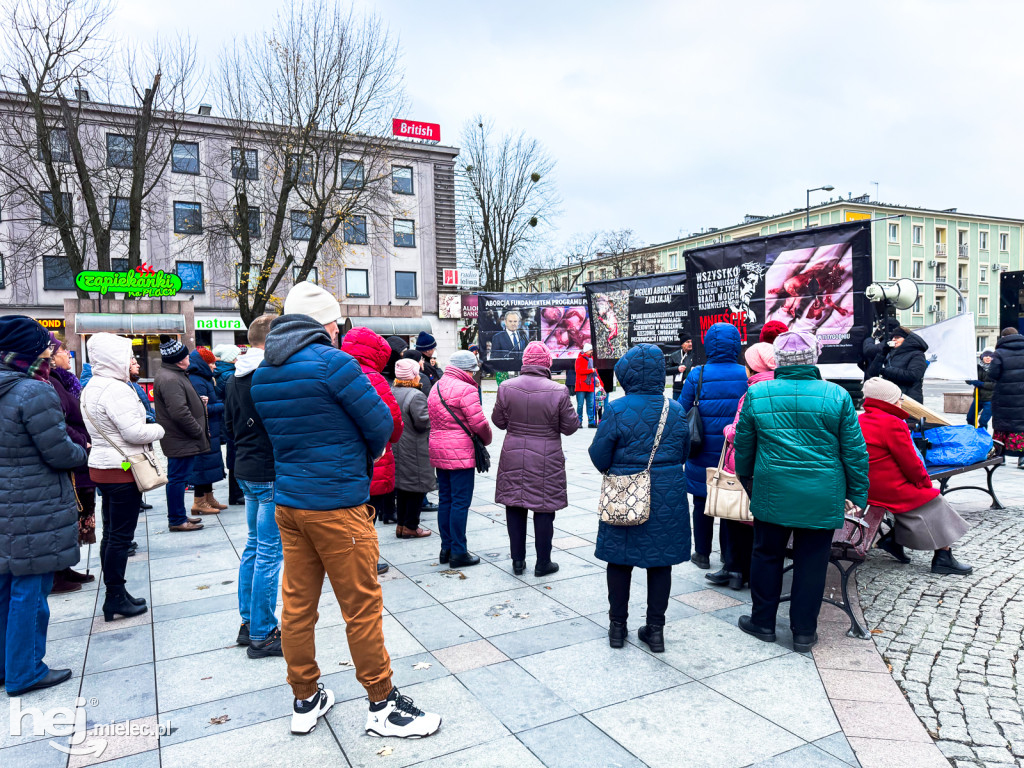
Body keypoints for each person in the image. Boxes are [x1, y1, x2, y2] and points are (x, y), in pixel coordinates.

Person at [250, 281, 441, 738]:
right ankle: (382, 704)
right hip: (337, 503)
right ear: (326, 324)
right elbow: (382, 425)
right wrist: (364, 454)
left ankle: (305, 696)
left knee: (297, 606)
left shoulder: (264, 373)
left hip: (291, 502)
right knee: (361, 606)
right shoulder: (334, 364)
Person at [734, 331, 869, 652]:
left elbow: (744, 447)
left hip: (773, 489)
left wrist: (748, 482)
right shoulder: (836, 396)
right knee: (813, 562)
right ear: (814, 357)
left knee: (766, 555)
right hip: (822, 493)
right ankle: (804, 631)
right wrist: (858, 495)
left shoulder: (759, 394)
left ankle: (763, 622)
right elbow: (855, 452)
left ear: (779, 359)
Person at [0, 316, 85, 696]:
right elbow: (59, 452)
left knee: (6, 587)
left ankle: (6, 666)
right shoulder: (34, 392)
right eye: (46, 345)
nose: (51, 352)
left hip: (7, 504)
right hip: (32, 506)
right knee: (31, 591)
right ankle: (26, 670)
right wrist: (82, 449)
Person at [589, 344, 690, 653]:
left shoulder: (618, 408)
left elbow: (598, 455)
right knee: (661, 564)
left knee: (620, 561)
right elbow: (684, 452)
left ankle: (617, 628)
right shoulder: (674, 409)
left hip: (625, 494)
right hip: (667, 493)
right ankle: (655, 631)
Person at [81, 333, 165, 622]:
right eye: (129, 356)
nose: (135, 361)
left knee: (112, 533)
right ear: (114, 359)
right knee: (120, 536)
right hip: (122, 470)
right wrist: (160, 430)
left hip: (104, 468)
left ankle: (115, 592)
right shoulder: (116, 389)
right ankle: (115, 595)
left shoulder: (93, 385)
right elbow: (135, 432)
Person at [859, 378, 972, 575]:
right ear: (888, 401)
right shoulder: (892, 423)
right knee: (935, 501)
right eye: (899, 398)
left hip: (866, 485)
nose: (902, 402)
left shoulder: (860, 419)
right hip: (886, 487)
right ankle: (943, 557)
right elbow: (911, 464)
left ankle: (893, 541)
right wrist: (924, 483)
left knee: (918, 499)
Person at [492, 341, 579, 576]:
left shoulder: (506, 387)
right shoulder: (558, 390)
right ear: (547, 363)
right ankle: (543, 563)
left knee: (515, 504)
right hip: (546, 456)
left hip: (513, 454)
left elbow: (499, 422)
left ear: (525, 362)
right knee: (544, 507)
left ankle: (518, 561)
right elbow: (571, 427)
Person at [225, 315, 283, 658]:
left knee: (253, 547)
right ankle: (262, 632)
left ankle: (249, 623)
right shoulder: (268, 375)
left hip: (245, 467)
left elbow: (231, 426)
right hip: (268, 470)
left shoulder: (235, 375)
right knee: (268, 553)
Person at [678, 323, 747, 570]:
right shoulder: (745, 374)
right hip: (734, 450)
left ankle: (702, 553)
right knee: (730, 500)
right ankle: (728, 556)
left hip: (701, 448)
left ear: (708, 345)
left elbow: (681, 409)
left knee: (701, 502)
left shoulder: (698, 373)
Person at [711, 342, 777, 590]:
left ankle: (736, 571)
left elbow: (738, 433)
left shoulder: (753, 392)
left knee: (736, 516)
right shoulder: (780, 387)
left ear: (753, 367)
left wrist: (727, 429)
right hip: (771, 466)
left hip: (746, 465)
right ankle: (744, 570)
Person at [428, 350, 493, 569]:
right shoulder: (466, 389)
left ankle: (446, 548)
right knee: (460, 502)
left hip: (438, 450)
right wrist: (487, 439)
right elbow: (479, 424)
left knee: (445, 499)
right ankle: (458, 551)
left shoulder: (436, 386)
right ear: (467, 369)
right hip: (460, 453)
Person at [341, 328, 404, 533]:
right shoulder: (374, 378)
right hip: (373, 457)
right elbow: (393, 422)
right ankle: (367, 562)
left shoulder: (332, 372)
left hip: (338, 458)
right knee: (368, 519)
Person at [48, 335, 97, 592]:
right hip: (73, 456)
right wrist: (81, 441)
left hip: (78, 455)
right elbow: (58, 422)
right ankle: (57, 573)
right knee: (68, 514)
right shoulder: (51, 384)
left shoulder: (63, 381)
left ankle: (64, 568)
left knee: (73, 513)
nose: (68, 354)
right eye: (63, 350)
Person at [153, 335, 207, 532]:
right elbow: (179, 412)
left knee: (179, 478)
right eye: (186, 356)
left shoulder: (173, 375)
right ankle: (176, 519)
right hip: (181, 438)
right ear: (178, 359)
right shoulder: (171, 378)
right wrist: (197, 430)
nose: (189, 359)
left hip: (180, 438)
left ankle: (179, 515)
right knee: (177, 479)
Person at [391, 358, 435, 538]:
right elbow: (422, 423)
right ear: (414, 375)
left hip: (398, 445)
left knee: (402, 487)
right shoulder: (416, 395)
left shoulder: (392, 390)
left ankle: (401, 525)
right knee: (417, 487)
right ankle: (411, 526)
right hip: (415, 448)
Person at [187, 348, 228, 514]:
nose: (214, 366)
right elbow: (200, 408)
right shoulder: (197, 380)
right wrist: (222, 405)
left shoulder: (205, 379)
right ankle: (199, 501)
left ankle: (208, 497)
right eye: (211, 362)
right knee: (202, 465)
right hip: (205, 429)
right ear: (203, 364)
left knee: (210, 465)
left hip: (211, 428)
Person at [213, 344, 244, 506]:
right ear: (231, 358)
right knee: (235, 454)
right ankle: (236, 494)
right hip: (230, 418)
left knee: (233, 454)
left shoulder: (219, 372)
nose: (239, 358)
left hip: (225, 419)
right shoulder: (229, 375)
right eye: (237, 356)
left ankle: (236, 493)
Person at [989, 328, 1024, 468]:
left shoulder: (999, 353)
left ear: (1003, 337)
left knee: (1001, 426)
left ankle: (1000, 457)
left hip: (1003, 397)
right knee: (1022, 427)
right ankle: (1022, 459)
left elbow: (993, 374)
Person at [876, 327, 929, 403]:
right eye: (893, 338)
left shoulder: (917, 354)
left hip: (909, 398)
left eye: (897, 337)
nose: (894, 339)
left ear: (906, 339)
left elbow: (914, 375)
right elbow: (873, 371)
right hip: (892, 397)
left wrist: (887, 371)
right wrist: (882, 353)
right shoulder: (890, 354)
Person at [966, 349, 994, 429]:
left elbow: (995, 385)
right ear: (982, 357)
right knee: (970, 418)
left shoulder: (996, 369)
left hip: (990, 400)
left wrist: (981, 384)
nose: (988, 357)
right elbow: (968, 378)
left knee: (983, 421)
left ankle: (982, 436)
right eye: (986, 355)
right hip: (978, 398)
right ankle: (972, 433)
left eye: (990, 356)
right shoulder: (977, 368)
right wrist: (971, 381)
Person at [574, 343, 598, 427]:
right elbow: (579, 371)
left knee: (590, 404)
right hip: (581, 386)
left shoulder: (592, 359)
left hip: (590, 385)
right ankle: (579, 421)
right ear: (587, 350)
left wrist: (597, 379)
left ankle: (591, 422)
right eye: (591, 350)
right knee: (580, 405)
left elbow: (595, 372)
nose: (592, 352)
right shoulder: (579, 359)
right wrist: (590, 370)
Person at [665, 330, 693, 401]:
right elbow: (665, 370)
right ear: (682, 344)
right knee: (677, 409)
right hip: (677, 389)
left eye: (691, 342)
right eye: (687, 342)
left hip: (691, 388)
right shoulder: (674, 355)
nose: (690, 344)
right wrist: (677, 369)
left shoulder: (695, 356)